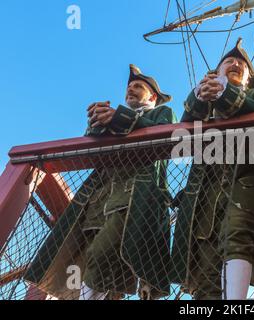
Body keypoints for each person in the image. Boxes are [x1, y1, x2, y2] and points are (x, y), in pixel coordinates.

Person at [24, 64, 177, 300]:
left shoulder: (161, 114)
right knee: (88, 258)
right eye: (128, 87)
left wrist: (118, 118)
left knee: (101, 251)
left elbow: (165, 133)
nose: (130, 90)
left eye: (138, 86)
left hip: (134, 198)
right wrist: (97, 123)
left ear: (153, 96)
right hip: (97, 199)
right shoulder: (116, 119)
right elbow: (92, 146)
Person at [171, 38, 254, 299]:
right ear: (215, 73)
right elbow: (182, 140)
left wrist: (224, 93)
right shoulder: (205, 104)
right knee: (204, 256)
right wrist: (200, 98)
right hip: (206, 192)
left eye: (242, 64)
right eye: (229, 61)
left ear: (250, 78)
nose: (236, 63)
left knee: (237, 235)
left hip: (244, 180)